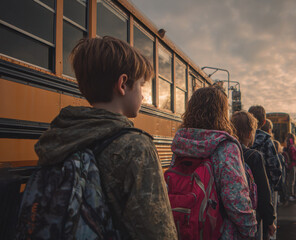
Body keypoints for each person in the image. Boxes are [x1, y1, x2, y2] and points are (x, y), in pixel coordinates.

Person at [33, 37, 177, 239]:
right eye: (141, 86)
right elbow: (158, 231)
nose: (144, 96)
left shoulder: (59, 137)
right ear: (123, 84)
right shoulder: (136, 147)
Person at [171, 87, 257, 239]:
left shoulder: (181, 143)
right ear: (221, 113)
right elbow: (235, 198)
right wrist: (250, 229)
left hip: (185, 227)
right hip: (220, 232)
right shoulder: (225, 146)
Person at [231, 111, 276, 240]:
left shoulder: (224, 151)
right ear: (250, 133)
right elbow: (263, 192)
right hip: (251, 217)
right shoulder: (254, 156)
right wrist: (269, 220)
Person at [248, 105, 282, 240]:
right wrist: (271, 185)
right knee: (266, 226)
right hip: (264, 191)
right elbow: (275, 168)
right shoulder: (267, 141)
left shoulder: (239, 140)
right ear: (263, 122)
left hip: (246, 191)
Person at [284, 133, 296, 202]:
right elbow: (295, 157)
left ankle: (291, 194)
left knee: (290, 181)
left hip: (290, 164)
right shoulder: (292, 147)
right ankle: (291, 195)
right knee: (292, 181)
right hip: (293, 165)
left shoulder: (288, 146)